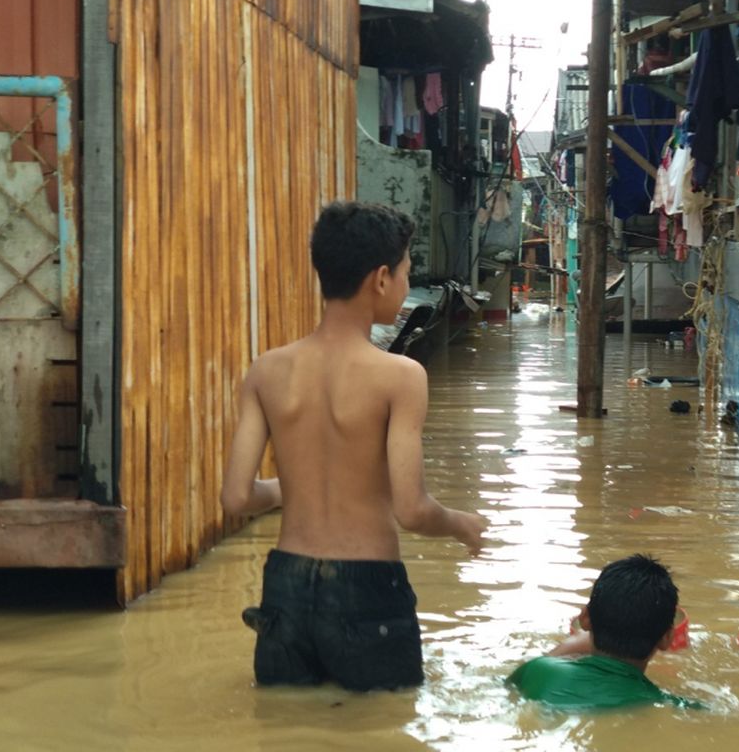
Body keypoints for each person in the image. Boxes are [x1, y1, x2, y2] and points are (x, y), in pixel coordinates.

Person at [221, 200, 486, 692]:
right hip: (368, 590)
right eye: (406, 274)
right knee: (384, 728)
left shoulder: (267, 370)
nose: (407, 289)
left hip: (286, 589)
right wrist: (459, 523)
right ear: (381, 278)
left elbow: (237, 498)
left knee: (285, 729)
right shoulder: (400, 377)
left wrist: (287, 488)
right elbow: (411, 510)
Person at [507, 554, 702, 710]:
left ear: (585, 618)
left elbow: (508, 690)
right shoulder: (667, 705)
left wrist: (563, 650)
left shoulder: (537, 670)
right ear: (667, 638)